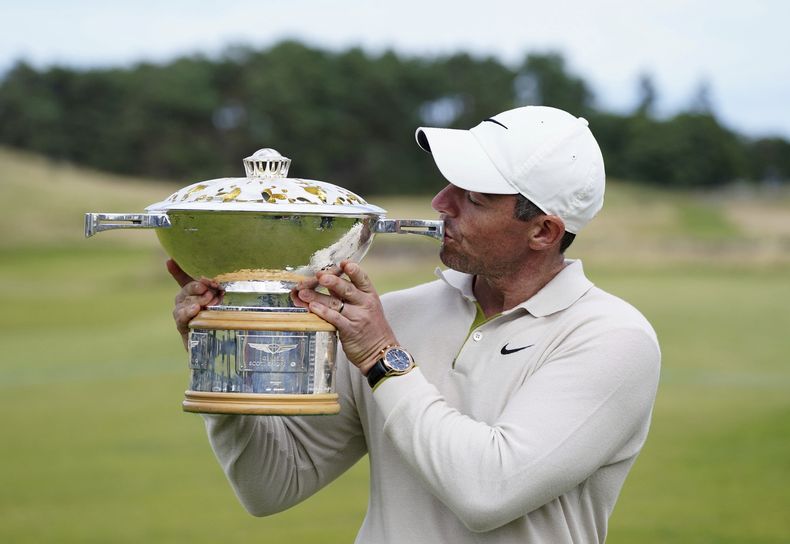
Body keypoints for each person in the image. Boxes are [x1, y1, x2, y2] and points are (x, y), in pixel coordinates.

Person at [169, 105, 661, 543]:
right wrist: (221, 357)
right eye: (448, 185)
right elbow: (272, 487)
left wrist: (383, 357)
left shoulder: (612, 338)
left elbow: (487, 493)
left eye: (473, 197)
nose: (440, 203)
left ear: (543, 231)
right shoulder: (400, 315)